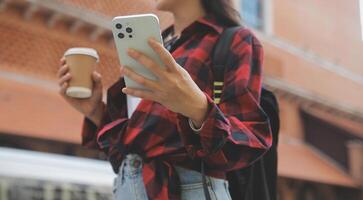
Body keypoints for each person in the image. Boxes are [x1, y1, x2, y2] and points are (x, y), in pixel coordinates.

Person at [57, 0, 272, 199]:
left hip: (190, 188)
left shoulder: (233, 39)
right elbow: (129, 145)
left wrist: (198, 108)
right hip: (128, 185)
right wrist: (95, 111)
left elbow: (250, 138)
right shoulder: (156, 44)